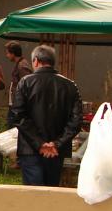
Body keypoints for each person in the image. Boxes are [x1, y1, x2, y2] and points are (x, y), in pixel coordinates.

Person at [10, 45, 82, 186]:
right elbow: (76, 121)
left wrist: (40, 144)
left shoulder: (25, 82)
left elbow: (18, 116)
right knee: (51, 193)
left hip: (30, 149)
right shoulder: (70, 85)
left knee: (33, 196)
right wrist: (57, 144)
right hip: (56, 151)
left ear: (36, 61)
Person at [4, 41, 33, 128]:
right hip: (15, 104)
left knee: (13, 130)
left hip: (18, 106)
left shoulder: (22, 65)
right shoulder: (19, 64)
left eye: (8, 53)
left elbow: (27, 86)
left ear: (13, 53)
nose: (7, 56)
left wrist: (20, 104)